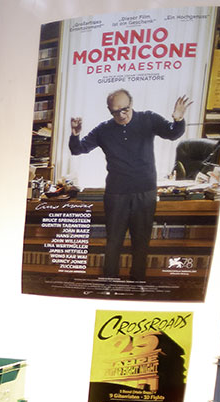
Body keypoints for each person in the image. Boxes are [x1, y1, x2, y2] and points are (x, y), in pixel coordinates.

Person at [69, 89, 191, 280]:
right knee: (113, 242)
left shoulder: (148, 119)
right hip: (116, 193)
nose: (121, 115)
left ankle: (138, 282)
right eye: (115, 111)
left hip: (145, 191)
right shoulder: (103, 129)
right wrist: (75, 134)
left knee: (141, 242)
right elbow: (78, 149)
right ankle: (109, 283)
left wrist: (178, 119)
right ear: (109, 110)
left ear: (131, 104)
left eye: (124, 109)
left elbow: (173, 134)